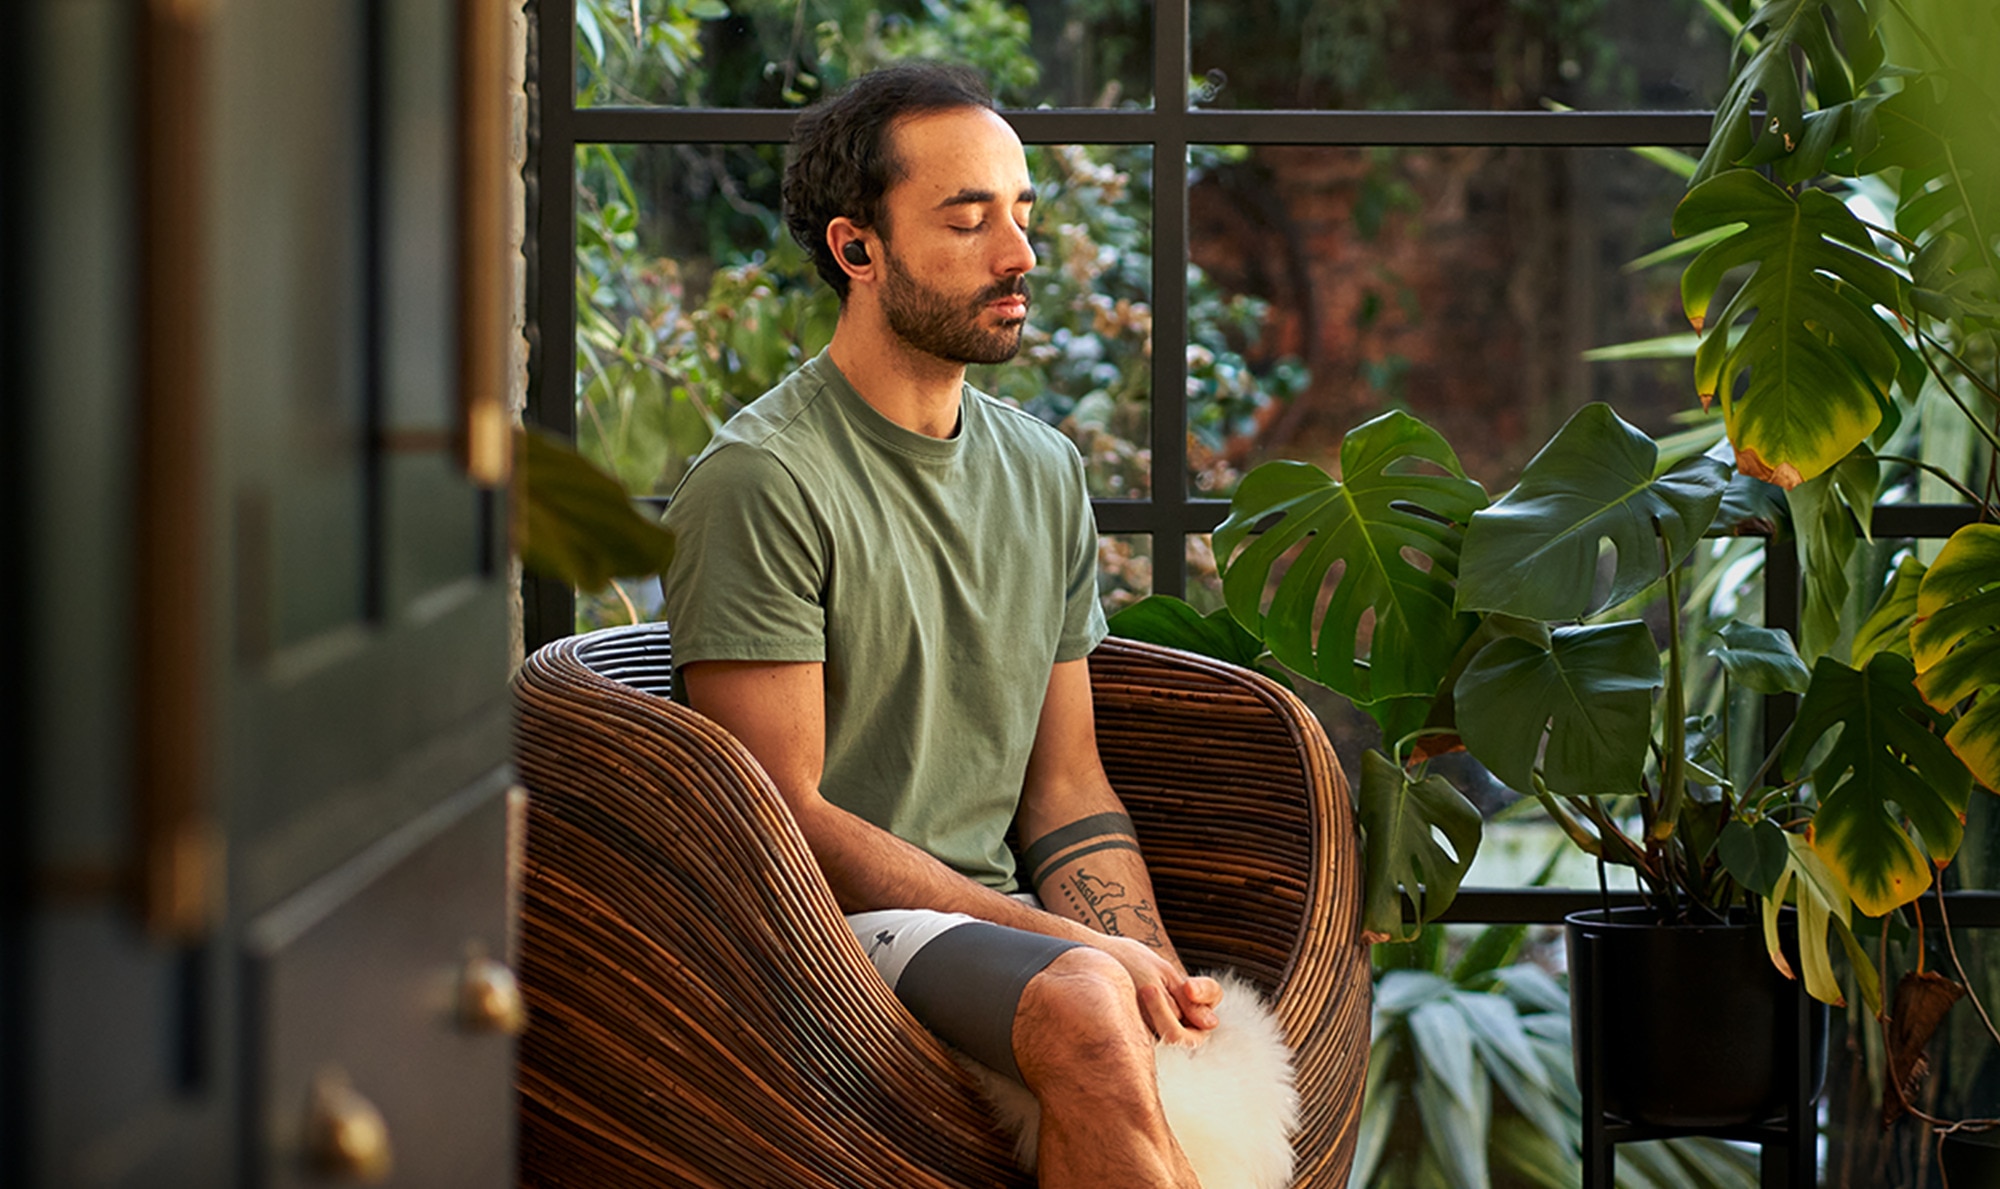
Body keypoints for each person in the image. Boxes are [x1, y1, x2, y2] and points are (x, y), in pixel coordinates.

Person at [659, 62, 1221, 1189]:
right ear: (856, 250)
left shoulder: (1043, 468)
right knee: (1081, 1002)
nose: (1016, 255)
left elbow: (1064, 788)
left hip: (993, 934)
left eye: (1020, 214)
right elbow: (785, 820)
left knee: (1132, 1011)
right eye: (967, 219)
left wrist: (1149, 962)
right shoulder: (763, 480)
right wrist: (1074, 950)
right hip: (820, 932)